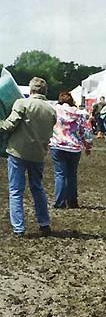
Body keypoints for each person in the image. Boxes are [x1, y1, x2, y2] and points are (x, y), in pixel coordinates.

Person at [0, 76, 56, 237]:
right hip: (38, 154)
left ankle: (19, 228)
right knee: (37, 188)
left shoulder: (22, 103)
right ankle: (44, 223)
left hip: (18, 152)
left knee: (16, 190)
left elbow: (9, 125)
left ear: (31, 90)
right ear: (45, 91)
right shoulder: (51, 110)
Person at [49, 91, 93, 209]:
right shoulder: (79, 113)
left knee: (60, 175)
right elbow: (85, 131)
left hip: (58, 145)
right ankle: (72, 201)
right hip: (74, 147)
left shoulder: (54, 110)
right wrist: (88, 146)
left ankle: (59, 202)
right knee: (72, 175)